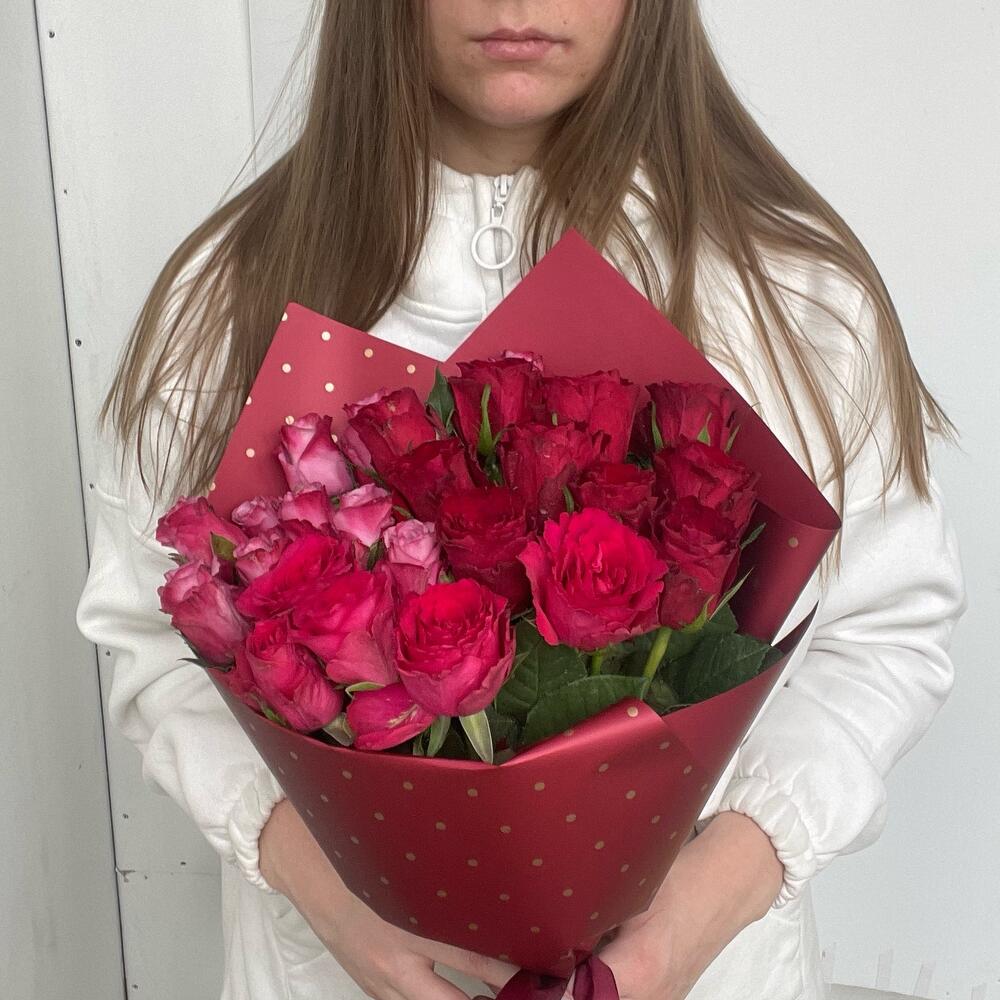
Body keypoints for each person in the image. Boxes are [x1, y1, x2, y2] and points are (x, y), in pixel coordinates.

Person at [75, 2, 967, 998]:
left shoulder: (791, 295)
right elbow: (150, 634)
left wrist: (703, 907)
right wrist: (322, 888)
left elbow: (882, 627)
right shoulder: (227, 301)